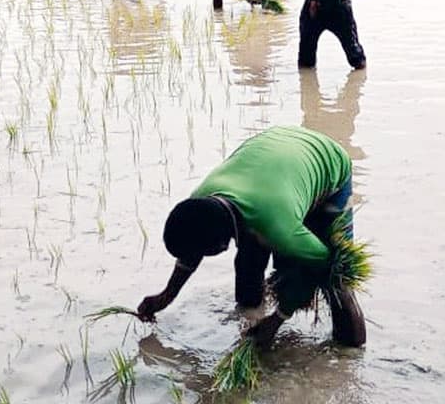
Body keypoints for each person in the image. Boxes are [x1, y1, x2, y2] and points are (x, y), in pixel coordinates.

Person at [135, 126, 366, 349]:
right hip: (274, 157)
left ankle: (350, 356)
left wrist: (277, 320)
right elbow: (193, 246)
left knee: (337, 281)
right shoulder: (200, 203)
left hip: (327, 161)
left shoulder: (279, 228)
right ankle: (251, 318)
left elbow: (323, 262)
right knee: (248, 263)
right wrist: (165, 296)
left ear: (222, 246)